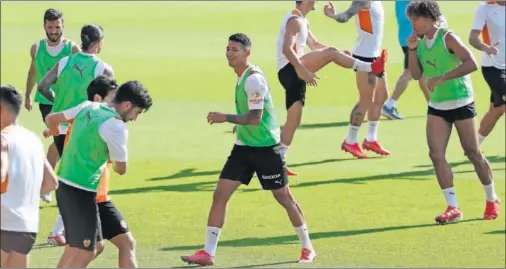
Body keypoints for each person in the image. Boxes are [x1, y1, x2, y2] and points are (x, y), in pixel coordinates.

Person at [181, 34, 316, 266]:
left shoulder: (253, 80)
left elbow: (255, 118)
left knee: (284, 197)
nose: (229, 53)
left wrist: (226, 118)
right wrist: (237, 124)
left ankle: (307, 247)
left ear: (247, 53)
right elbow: (251, 115)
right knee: (220, 194)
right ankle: (208, 252)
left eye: (235, 49)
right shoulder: (243, 76)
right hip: (243, 148)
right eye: (227, 49)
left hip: (266, 149)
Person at [406, 1, 500, 224]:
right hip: (438, 106)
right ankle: (453, 207)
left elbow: (471, 62)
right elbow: (415, 74)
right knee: (436, 154)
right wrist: (411, 50)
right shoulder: (418, 43)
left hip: (461, 101)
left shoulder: (447, 37)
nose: (412, 24)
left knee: (472, 153)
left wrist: (443, 77)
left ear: (429, 18)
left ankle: (491, 197)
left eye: (415, 19)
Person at [44, 80, 151, 268]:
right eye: (137, 112)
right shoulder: (116, 126)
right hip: (81, 191)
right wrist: (108, 155)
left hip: (72, 187)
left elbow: (51, 119)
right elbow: (121, 169)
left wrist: (62, 145)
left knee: (109, 245)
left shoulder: (88, 106)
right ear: (127, 105)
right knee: (85, 252)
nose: (135, 118)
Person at [276, 1, 387, 173]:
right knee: (331, 53)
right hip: (290, 68)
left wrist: (342, 54)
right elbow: (286, 49)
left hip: (295, 70)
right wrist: (302, 70)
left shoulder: (302, 20)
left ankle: (278, 161)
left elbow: (315, 45)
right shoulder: (295, 21)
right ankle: (368, 67)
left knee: (294, 119)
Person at [37, 23, 114, 246]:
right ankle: (58, 231)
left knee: (73, 177)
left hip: (60, 128)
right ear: (98, 42)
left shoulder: (65, 61)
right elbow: (111, 103)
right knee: (80, 180)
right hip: (82, 129)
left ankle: (60, 229)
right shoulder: (103, 69)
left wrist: (59, 103)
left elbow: (43, 86)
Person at [24, 8, 79, 203]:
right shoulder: (36, 48)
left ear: (63, 26)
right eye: (50, 27)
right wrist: (28, 95)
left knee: (60, 143)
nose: (54, 30)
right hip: (47, 103)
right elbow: (33, 71)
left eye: (57, 26)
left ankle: (44, 185)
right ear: (44, 27)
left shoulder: (72, 49)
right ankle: (62, 187)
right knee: (60, 142)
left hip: (68, 103)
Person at [1, 85, 58, 268]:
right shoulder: (32, 139)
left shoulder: (3, 139)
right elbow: (51, 183)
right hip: (26, 229)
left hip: (3, 223)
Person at [324, 0, 391, 159]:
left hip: (375, 55)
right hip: (365, 57)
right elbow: (345, 16)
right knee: (365, 101)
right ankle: (350, 140)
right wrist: (333, 15)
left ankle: (371, 139)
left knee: (382, 96)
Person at [383, 0, 449, 120]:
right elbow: (428, 10)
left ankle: (433, 106)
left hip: (405, 37)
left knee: (423, 74)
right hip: (415, 38)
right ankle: (389, 104)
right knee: (409, 73)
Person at [469, 0, 505, 146]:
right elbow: (473, 38)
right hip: (494, 66)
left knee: (497, 109)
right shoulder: (484, 8)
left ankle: (473, 146)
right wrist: (486, 48)